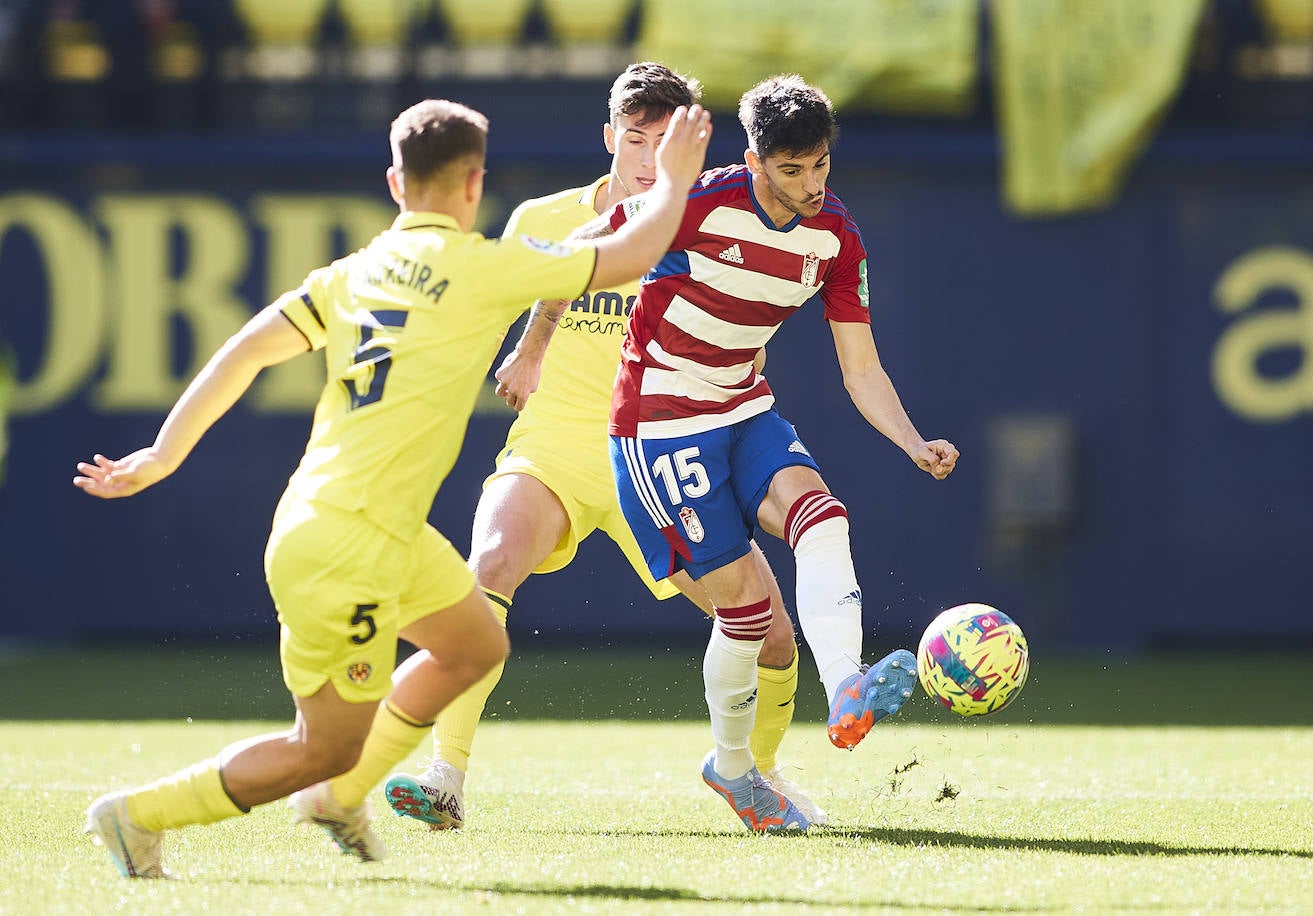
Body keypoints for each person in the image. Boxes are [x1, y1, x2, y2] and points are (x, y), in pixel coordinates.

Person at [73, 96, 713, 878]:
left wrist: (163, 454)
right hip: (352, 543)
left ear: (393, 183)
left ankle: (343, 797)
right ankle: (140, 815)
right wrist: (676, 178)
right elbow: (630, 252)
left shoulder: (352, 273)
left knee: (476, 645)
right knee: (321, 747)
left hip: (348, 522)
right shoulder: (484, 267)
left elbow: (244, 349)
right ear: (474, 184)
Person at [381, 62, 826, 835]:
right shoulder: (543, 217)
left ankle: (761, 774)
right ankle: (445, 775)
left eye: (666, 142)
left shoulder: (718, 220)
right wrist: (510, 354)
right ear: (609, 138)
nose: (650, 159)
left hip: (659, 456)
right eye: (635, 140)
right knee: (488, 566)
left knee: (771, 630)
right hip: (554, 447)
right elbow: (485, 314)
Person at [594, 74, 960, 832]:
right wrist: (528, 333)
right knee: (750, 613)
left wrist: (912, 441)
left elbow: (861, 367)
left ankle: (847, 686)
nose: (811, 185)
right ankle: (732, 769)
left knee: (823, 517)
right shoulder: (698, 203)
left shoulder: (836, 237)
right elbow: (586, 251)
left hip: (742, 405)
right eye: (791, 170)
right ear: (754, 160)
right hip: (660, 420)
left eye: (821, 164)